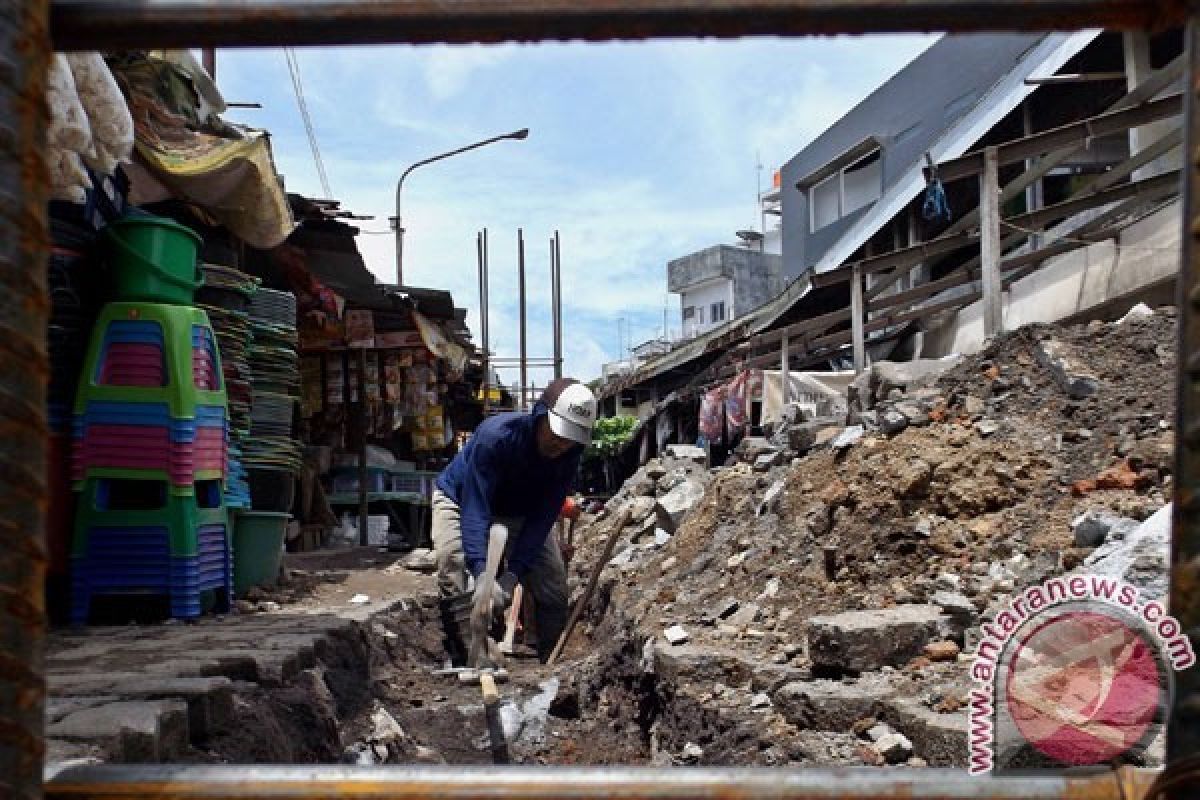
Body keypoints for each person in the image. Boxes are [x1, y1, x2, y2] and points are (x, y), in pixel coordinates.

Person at [431, 377, 596, 662]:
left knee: (553, 585)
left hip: (519, 511)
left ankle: (551, 664)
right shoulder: (495, 438)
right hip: (460, 498)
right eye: (556, 433)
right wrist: (481, 573)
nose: (561, 444)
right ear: (540, 416)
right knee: (452, 561)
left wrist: (511, 577)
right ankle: (469, 655)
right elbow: (475, 508)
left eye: (570, 438)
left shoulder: (568, 458)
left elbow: (541, 519)